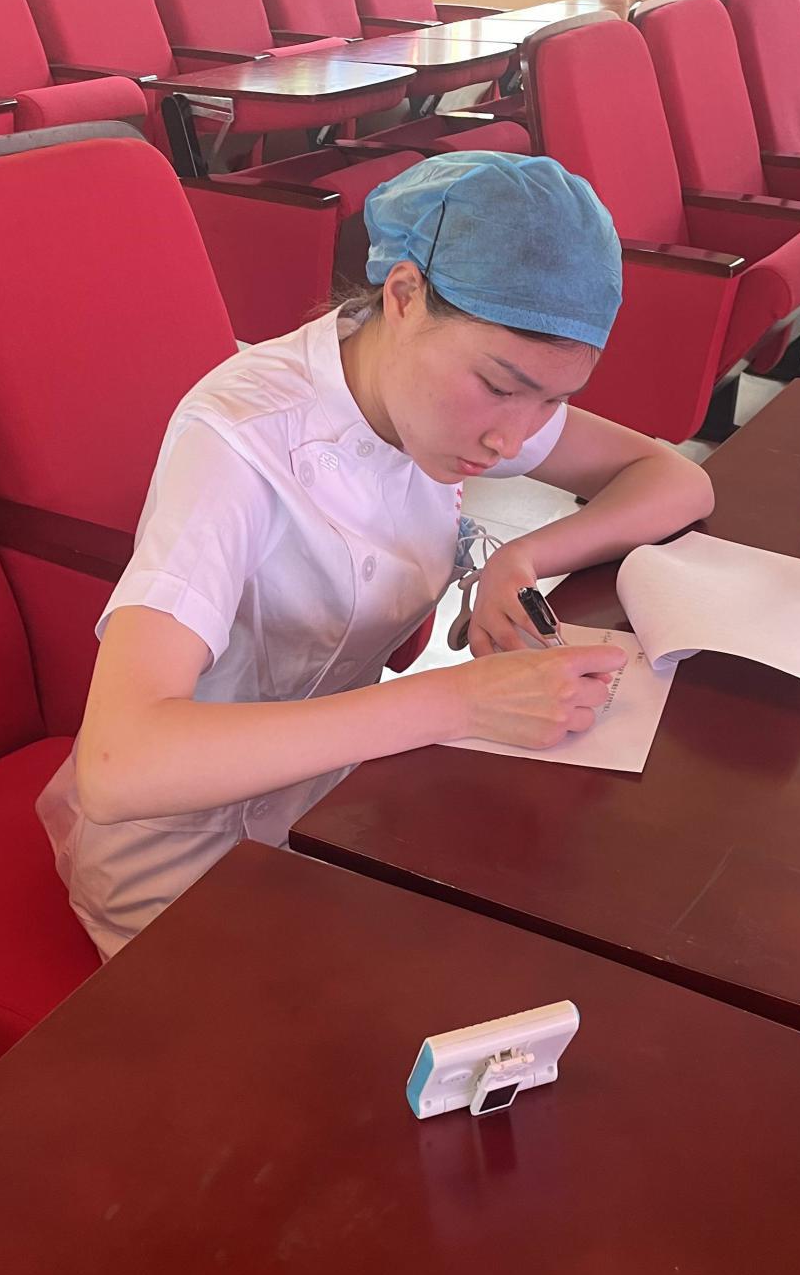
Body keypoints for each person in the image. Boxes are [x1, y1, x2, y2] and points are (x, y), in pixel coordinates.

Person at [38, 151, 715, 957]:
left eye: (552, 401)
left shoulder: (436, 396)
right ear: (402, 296)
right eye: (500, 387)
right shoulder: (240, 438)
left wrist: (523, 558)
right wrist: (459, 701)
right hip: (179, 867)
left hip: (335, 814)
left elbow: (675, 480)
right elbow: (118, 765)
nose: (512, 439)